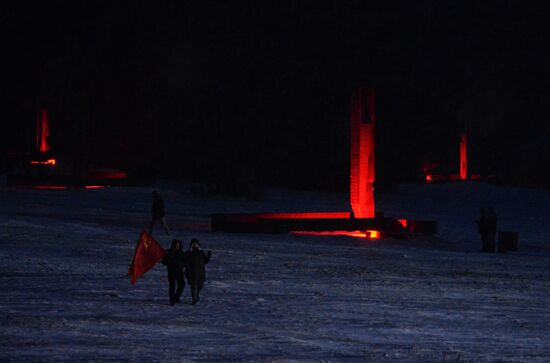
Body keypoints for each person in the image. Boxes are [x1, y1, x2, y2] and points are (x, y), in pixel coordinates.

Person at [184, 239, 212, 305]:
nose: (195, 245)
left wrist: (209, 256)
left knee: (200, 285)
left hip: (200, 272)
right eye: (193, 243)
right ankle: (194, 299)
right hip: (192, 273)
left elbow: (205, 261)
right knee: (193, 287)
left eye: (196, 243)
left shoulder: (201, 252)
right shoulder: (189, 252)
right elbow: (184, 260)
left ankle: (196, 295)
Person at [161, 239, 186, 305]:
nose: (177, 246)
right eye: (176, 245)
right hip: (171, 272)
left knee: (182, 285)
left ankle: (176, 297)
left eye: (178, 245)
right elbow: (163, 262)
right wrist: (171, 262)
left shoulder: (181, 253)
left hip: (179, 272)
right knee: (172, 286)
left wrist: (181, 264)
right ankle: (172, 300)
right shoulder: (168, 252)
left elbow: (185, 262)